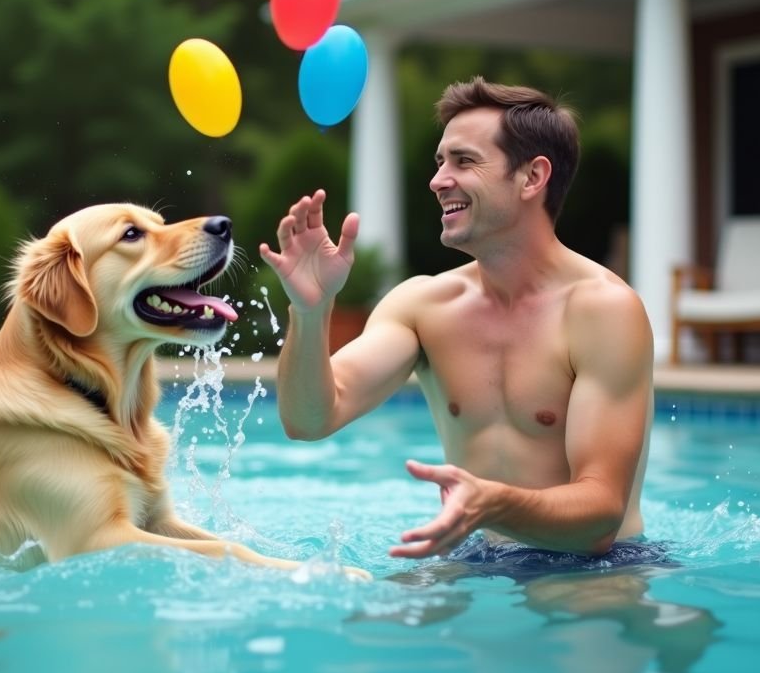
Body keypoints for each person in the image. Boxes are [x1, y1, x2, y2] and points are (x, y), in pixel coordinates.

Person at [258, 76, 656, 568]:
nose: (438, 179)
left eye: (464, 161)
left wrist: (492, 503)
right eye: (440, 162)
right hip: (477, 553)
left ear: (532, 177)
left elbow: (600, 518)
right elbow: (308, 420)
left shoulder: (604, 311)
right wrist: (311, 313)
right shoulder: (424, 305)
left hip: (596, 569)